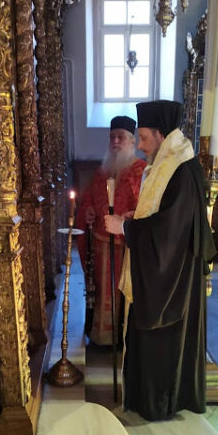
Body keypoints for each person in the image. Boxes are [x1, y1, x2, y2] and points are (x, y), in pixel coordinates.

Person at [104, 100, 216, 420]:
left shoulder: (181, 169)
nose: (139, 146)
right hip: (167, 269)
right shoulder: (168, 162)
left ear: (160, 134)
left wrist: (124, 227)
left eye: (142, 137)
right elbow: (162, 215)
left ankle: (160, 403)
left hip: (173, 279)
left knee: (161, 341)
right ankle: (145, 399)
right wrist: (135, 218)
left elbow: (169, 232)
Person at [76, 116, 147, 345]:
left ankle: (122, 337)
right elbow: (89, 197)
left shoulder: (141, 170)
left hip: (125, 245)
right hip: (100, 244)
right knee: (100, 289)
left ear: (132, 141)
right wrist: (88, 211)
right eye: (112, 137)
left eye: (121, 137)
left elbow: (145, 206)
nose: (115, 141)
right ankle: (102, 336)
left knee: (122, 290)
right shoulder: (103, 169)